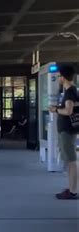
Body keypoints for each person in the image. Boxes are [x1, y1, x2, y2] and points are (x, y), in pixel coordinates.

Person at [49, 65, 78, 200]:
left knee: (71, 161)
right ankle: (71, 188)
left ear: (63, 77)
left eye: (60, 75)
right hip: (67, 130)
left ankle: (72, 191)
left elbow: (68, 111)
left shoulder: (70, 92)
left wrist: (55, 110)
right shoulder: (71, 90)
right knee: (69, 161)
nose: (59, 78)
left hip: (67, 130)